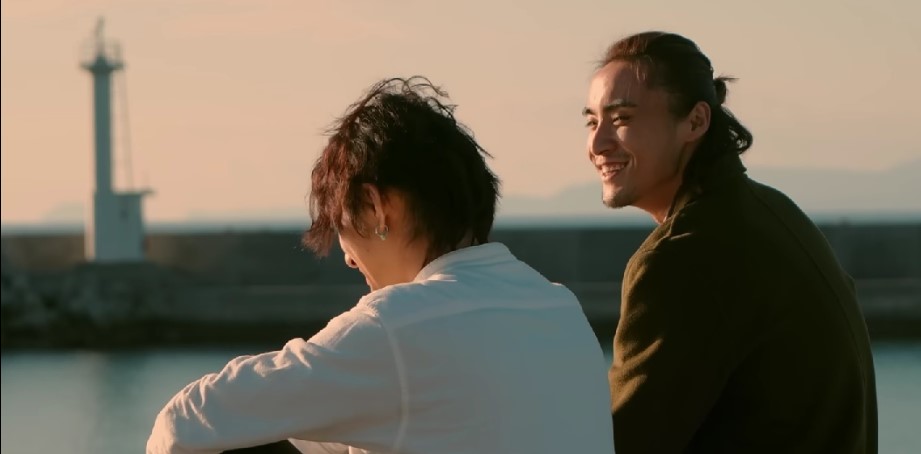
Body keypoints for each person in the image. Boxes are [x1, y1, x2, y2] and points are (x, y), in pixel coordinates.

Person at [147, 76, 614, 454]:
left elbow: (182, 425)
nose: (349, 258)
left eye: (341, 227)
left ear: (374, 206)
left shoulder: (395, 326)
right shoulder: (559, 308)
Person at [582, 31, 878, 453]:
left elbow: (619, 443)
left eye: (622, 118)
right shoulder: (774, 210)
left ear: (695, 122)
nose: (598, 144)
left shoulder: (681, 257)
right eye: (592, 122)